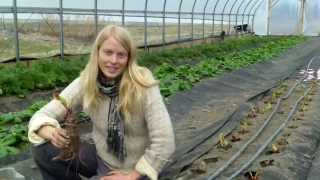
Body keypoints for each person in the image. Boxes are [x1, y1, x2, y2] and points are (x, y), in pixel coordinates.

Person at [28, 25, 175, 180]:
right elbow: (44, 113)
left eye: (121, 55)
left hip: (136, 168)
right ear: (97, 53)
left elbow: (165, 141)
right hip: (102, 159)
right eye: (108, 52)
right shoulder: (87, 82)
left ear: (129, 58)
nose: (113, 61)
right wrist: (49, 130)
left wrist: (134, 175)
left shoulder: (143, 84)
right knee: (43, 150)